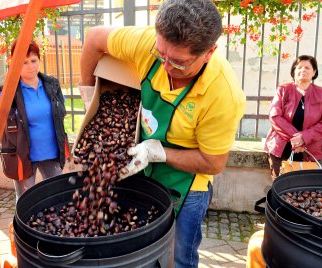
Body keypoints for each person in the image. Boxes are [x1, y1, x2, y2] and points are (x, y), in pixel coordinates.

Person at [78, 0, 246, 267]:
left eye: (179, 63)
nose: (166, 66)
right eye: (160, 55)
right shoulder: (148, 42)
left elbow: (214, 163)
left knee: (179, 257)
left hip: (188, 185)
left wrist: (158, 152)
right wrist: (88, 94)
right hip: (140, 166)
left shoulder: (223, 95)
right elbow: (94, 39)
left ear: (209, 52)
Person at [0, 40, 68, 200]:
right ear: (15, 63)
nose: (30, 66)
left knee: (58, 197)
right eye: (24, 62)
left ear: (39, 60)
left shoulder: (52, 85)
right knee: (25, 201)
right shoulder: (6, 93)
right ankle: (24, 226)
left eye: (33, 60)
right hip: (22, 156)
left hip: (51, 152)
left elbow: (61, 111)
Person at [264, 55, 322, 180]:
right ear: (294, 71)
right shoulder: (283, 90)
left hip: (310, 151)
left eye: (307, 67)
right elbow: (275, 116)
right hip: (281, 148)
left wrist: (305, 138)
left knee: (306, 189)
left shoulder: (320, 94)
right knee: (280, 187)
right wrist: (297, 140)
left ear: (314, 72)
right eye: (299, 67)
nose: (303, 70)